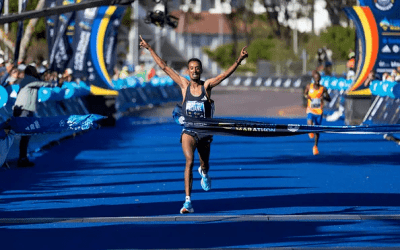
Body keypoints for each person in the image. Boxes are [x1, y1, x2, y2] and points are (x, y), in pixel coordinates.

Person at [139, 35, 248, 214]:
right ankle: (188, 201)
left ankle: (204, 172)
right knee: (189, 160)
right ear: (188, 71)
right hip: (189, 130)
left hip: (205, 131)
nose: (194, 71)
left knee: (204, 164)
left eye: (197, 68)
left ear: (201, 70)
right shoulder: (184, 85)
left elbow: (224, 75)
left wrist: (239, 60)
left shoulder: (207, 86)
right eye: (191, 68)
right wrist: (149, 48)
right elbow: (164, 67)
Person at [13, 65, 52, 167]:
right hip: (23, 110)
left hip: (25, 109)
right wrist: (50, 84)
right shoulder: (28, 80)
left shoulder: (27, 80)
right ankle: (22, 159)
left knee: (25, 136)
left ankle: (23, 158)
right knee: (24, 135)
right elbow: (41, 84)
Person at [304, 70, 331, 155]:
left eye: (318, 79)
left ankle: (315, 146)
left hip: (319, 112)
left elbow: (329, 99)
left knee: (317, 130)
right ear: (313, 79)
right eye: (316, 79)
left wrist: (324, 97)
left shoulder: (323, 89)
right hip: (311, 110)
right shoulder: (309, 86)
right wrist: (307, 96)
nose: (317, 81)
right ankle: (310, 130)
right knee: (309, 121)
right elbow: (305, 94)